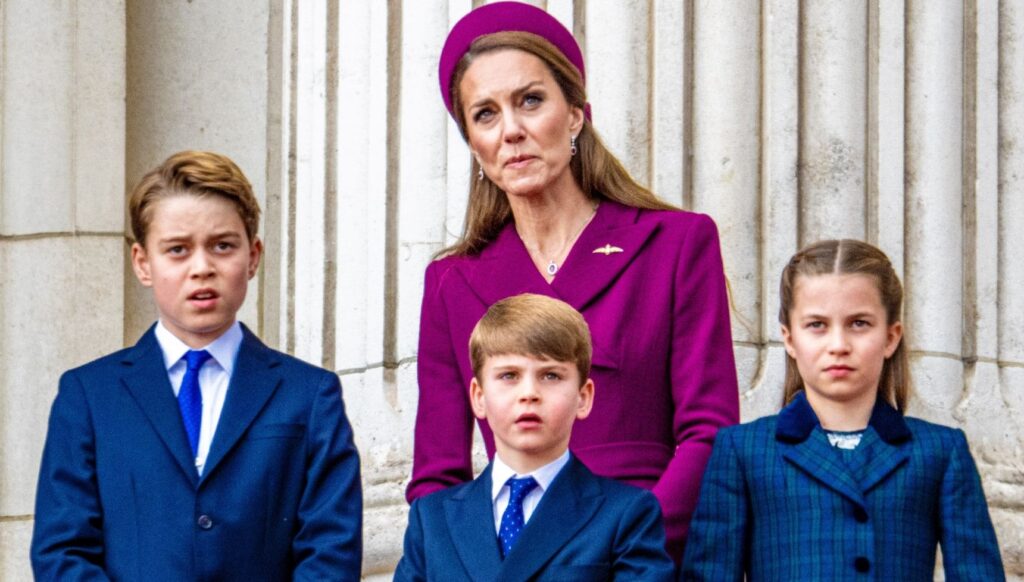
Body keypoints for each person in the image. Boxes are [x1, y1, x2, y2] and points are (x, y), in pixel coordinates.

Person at [408, 1, 739, 560]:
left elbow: (709, 433)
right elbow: (436, 477)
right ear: (473, 144)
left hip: (647, 553)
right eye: (485, 114)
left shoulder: (676, 244)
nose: (511, 130)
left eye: (530, 101)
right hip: (510, 561)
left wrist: (630, 547)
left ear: (577, 115)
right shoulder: (451, 282)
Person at [31, 151, 363, 581]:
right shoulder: (89, 397)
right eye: (177, 250)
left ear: (254, 255)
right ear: (143, 263)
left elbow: (331, 553)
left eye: (222, 246)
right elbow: (62, 552)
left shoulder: (310, 395)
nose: (202, 268)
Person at [680, 239, 1005, 581]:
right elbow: (709, 574)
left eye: (859, 323)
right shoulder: (742, 449)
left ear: (891, 337)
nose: (838, 345)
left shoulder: (940, 450)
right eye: (817, 325)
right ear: (789, 339)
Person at [395, 294, 675, 581]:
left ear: (583, 397)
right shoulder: (432, 520)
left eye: (551, 376)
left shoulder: (626, 515)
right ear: (479, 397)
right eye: (509, 376)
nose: (529, 393)